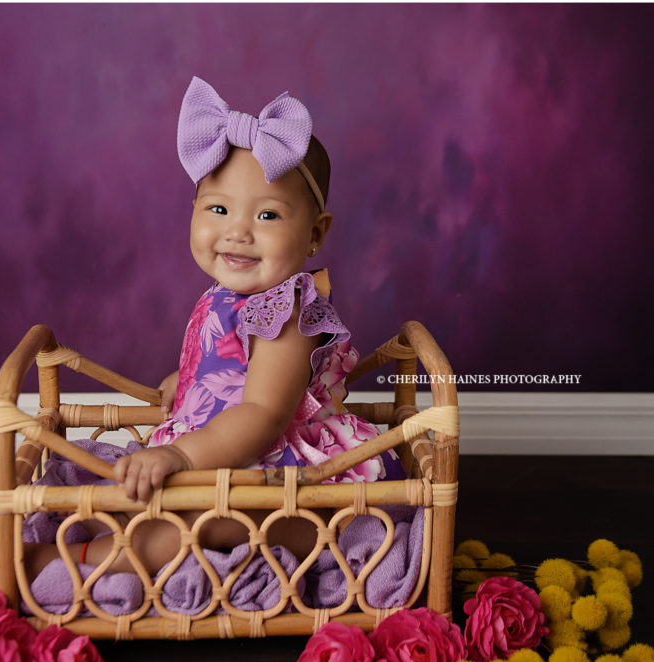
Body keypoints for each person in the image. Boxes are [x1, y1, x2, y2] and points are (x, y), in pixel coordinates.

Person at [25, 76, 403, 579]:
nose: (237, 232)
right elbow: (227, 368)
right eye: (218, 208)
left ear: (315, 234)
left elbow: (262, 414)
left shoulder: (288, 311)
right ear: (194, 211)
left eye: (267, 214)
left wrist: (180, 452)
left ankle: (80, 565)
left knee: (186, 527)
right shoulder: (224, 296)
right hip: (225, 454)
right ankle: (116, 537)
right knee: (130, 494)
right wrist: (186, 388)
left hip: (296, 489)